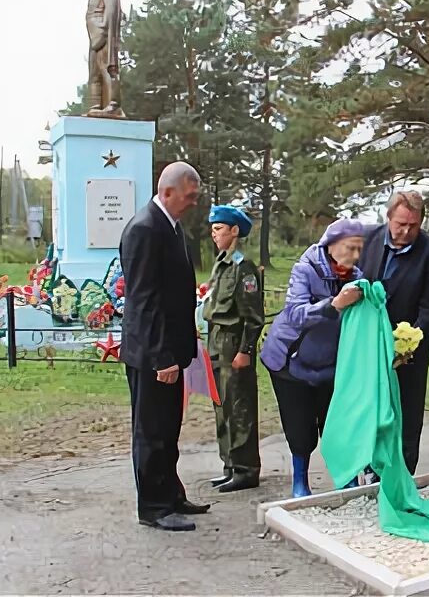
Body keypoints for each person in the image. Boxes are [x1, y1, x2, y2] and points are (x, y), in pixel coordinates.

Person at [118, 161, 205, 532]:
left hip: (171, 349)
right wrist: (162, 356)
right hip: (154, 354)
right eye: (190, 196)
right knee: (151, 431)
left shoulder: (170, 227)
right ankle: (153, 507)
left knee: (168, 429)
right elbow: (144, 301)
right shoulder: (145, 229)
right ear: (167, 191)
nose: (194, 203)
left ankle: (171, 494)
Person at [260, 219, 364, 497]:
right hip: (290, 360)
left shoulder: (357, 278)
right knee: (299, 426)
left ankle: (346, 477)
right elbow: (295, 312)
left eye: (358, 250)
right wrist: (333, 304)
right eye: (349, 248)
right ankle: (300, 482)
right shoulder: (305, 270)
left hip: (330, 363)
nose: (354, 256)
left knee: (336, 422)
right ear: (331, 245)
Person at [359, 190, 429, 475]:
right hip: (369, 344)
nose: (406, 230)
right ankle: (371, 466)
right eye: (400, 224)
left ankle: (403, 474)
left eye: (413, 225)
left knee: (406, 413)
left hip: (408, 352)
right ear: (388, 217)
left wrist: (408, 346)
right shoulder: (369, 240)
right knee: (371, 407)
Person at [202, 205, 265, 493]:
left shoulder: (244, 267)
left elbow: (253, 317)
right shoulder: (221, 264)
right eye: (213, 230)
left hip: (232, 342)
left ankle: (246, 469)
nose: (214, 235)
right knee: (222, 405)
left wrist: (246, 351)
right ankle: (229, 464)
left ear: (234, 231)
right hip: (215, 340)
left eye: (219, 229)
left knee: (239, 407)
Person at [85, 0, 124, 118]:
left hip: (102, 36)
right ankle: (96, 104)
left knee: (107, 69)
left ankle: (113, 104)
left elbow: (111, 12)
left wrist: (102, 33)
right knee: (94, 73)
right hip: (94, 37)